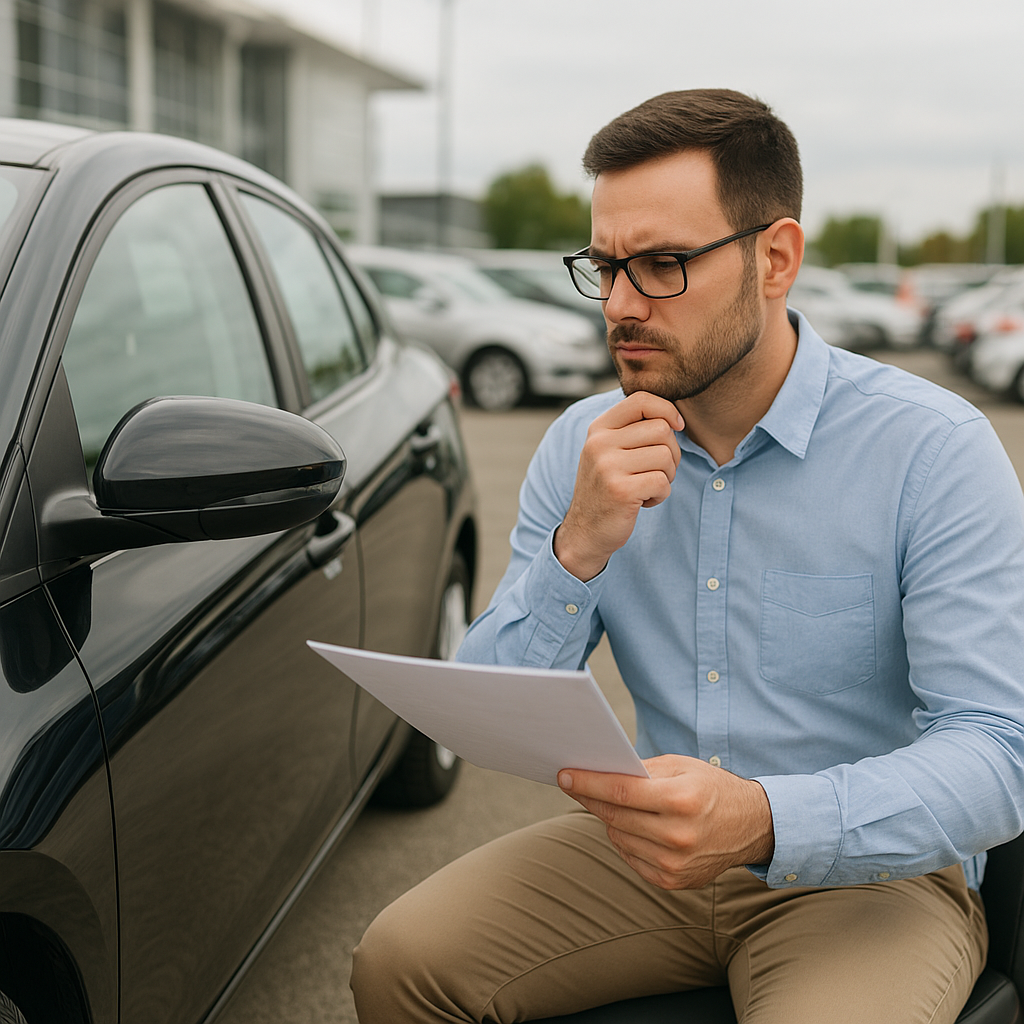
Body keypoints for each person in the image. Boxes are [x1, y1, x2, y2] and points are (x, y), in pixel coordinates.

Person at [350, 88, 1024, 1023]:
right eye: (606, 266)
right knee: (399, 962)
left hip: (873, 875)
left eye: (663, 264)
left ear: (775, 258)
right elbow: (483, 714)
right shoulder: (581, 445)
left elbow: (1000, 754)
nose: (620, 304)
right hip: (647, 859)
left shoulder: (932, 450)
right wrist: (576, 547)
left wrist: (762, 818)